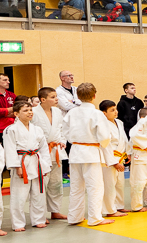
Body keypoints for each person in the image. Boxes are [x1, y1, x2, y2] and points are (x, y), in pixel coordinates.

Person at [63, 83, 113, 226]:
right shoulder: (97, 114)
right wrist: (101, 144)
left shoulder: (72, 112)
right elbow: (104, 137)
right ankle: (95, 218)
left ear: (77, 96)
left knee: (76, 187)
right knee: (95, 186)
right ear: (94, 96)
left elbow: (65, 132)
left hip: (76, 151)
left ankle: (74, 217)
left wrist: (75, 140)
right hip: (91, 152)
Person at [31, 87, 66, 220]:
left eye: (56, 96)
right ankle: (40, 215)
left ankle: (55, 211)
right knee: (41, 184)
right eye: (53, 97)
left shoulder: (57, 112)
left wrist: (62, 141)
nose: (56, 99)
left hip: (56, 150)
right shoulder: (33, 112)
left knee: (56, 183)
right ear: (43, 99)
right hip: (40, 151)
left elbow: (61, 129)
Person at [98, 100, 128, 217]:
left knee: (120, 183)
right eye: (112, 110)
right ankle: (110, 210)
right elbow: (106, 145)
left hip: (121, 156)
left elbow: (124, 138)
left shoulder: (119, 122)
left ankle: (119, 206)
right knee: (109, 184)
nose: (116, 112)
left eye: (115, 109)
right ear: (104, 113)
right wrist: (114, 162)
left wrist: (128, 152)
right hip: (110, 158)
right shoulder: (102, 125)